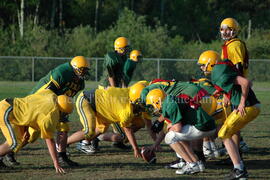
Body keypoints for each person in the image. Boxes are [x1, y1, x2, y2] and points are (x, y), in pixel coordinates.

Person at [21, 56, 90, 167]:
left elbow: (69, 96)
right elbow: (48, 91)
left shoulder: (80, 83)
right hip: (43, 101)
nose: (85, 72)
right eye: (83, 70)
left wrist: (64, 109)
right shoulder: (62, 72)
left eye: (86, 70)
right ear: (75, 68)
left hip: (59, 102)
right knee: (31, 134)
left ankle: (62, 156)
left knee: (64, 128)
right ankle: (9, 152)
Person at [0, 89, 74, 174]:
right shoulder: (51, 115)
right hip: (7, 111)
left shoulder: (51, 94)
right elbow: (50, 141)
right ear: (61, 110)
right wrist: (56, 163)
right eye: (65, 113)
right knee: (14, 143)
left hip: (11, 107)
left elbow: (33, 106)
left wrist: (27, 127)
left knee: (19, 141)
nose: (64, 116)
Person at [145, 89, 216, 175]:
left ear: (157, 101)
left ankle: (191, 164)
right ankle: (197, 162)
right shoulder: (170, 100)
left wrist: (170, 127)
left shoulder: (170, 104)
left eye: (152, 105)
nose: (152, 108)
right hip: (206, 125)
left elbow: (178, 128)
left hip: (204, 127)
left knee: (170, 137)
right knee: (178, 136)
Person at [211, 59, 260, 179]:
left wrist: (242, 102)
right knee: (227, 132)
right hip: (249, 107)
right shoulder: (223, 73)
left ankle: (239, 169)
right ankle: (240, 169)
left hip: (248, 107)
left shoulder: (223, 72)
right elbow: (229, 85)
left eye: (203, 65)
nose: (202, 68)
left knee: (223, 133)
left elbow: (247, 82)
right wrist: (224, 94)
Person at [67, 87, 145, 158]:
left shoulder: (132, 92)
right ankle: (63, 145)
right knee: (89, 131)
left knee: (101, 129)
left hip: (102, 108)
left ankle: (85, 142)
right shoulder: (126, 111)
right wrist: (135, 148)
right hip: (87, 100)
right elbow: (128, 130)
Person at [220, 17, 250, 156]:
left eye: (228, 29)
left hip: (236, 88)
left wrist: (228, 92)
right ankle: (234, 150)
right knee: (231, 124)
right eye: (222, 29)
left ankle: (236, 153)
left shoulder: (234, 45)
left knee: (233, 125)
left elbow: (237, 68)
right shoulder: (229, 44)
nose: (225, 32)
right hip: (234, 87)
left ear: (235, 30)